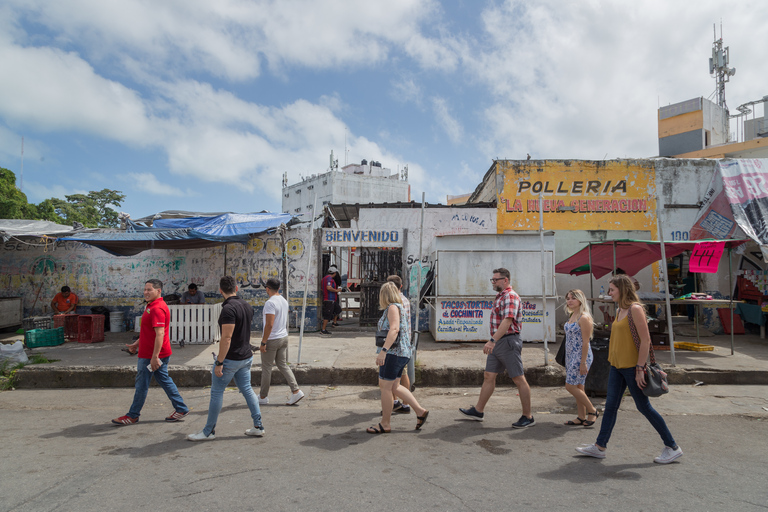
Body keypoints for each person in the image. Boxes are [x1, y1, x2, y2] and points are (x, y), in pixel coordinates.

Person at [576, 274, 683, 464]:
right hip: (617, 366)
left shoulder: (635, 309)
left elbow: (645, 340)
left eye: (612, 290)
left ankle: (672, 447)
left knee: (644, 407)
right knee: (610, 407)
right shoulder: (620, 310)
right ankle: (600, 447)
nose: (609, 293)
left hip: (633, 368)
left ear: (622, 289)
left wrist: (640, 368)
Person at [188, 276, 264, 441]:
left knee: (216, 393)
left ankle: (209, 431)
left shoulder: (228, 309)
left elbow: (226, 338)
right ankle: (258, 426)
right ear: (236, 288)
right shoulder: (247, 306)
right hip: (245, 356)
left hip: (232, 359)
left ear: (220, 290)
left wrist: (219, 362)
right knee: (247, 389)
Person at [459, 267, 535, 428]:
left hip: (507, 341)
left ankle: (528, 416)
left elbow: (507, 321)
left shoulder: (510, 297)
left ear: (505, 280)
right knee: (489, 375)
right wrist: (494, 341)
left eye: (495, 279)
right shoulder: (501, 296)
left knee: (518, 378)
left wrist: (492, 340)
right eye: (492, 280)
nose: (493, 282)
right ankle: (478, 411)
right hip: (499, 341)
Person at [112, 279, 190, 425]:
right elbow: (149, 331)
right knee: (164, 380)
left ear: (158, 291)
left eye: (149, 290)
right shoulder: (151, 306)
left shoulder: (157, 309)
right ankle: (181, 408)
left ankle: (132, 415)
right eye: (145, 289)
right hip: (151, 353)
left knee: (142, 384)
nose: (146, 292)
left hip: (151, 355)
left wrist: (154, 357)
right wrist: (137, 343)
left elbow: (160, 334)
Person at [366, 282, 429, 434]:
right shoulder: (399, 306)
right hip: (401, 353)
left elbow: (394, 329)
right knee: (394, 386)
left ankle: (385, 423)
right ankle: (420, 411)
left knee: (385, 388)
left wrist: (383, 351)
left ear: (384, 295)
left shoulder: (393, 308)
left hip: (393, 353)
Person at [258, 278, 304, 406]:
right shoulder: (283, 301)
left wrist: (263, 342)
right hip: (283, 337)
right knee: (282, 364)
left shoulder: (270, 303)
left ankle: (263, 396)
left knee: (267, 368)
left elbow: (269, 325)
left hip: (272, 339)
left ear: (267, 288)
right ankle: (296, 391)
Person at [562, 289, 599, 427]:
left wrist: (583, 362)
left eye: (573, 298)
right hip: (571, 355)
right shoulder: (572, 315)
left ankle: (592, 410)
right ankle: (582, 416)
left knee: (570, 386)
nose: (569, 301)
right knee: (579, 387)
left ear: (580, 300)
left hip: (580, 355)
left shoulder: (584, 317)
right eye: (568, 298)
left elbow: (586, 341)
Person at [385, 275, 412, 414]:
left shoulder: (395, 303)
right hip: (404, 343)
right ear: (401, 286)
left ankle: (399, 403)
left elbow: (395, 328)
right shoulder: (405, 300)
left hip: (397, 346)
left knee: (393, 379)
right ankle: (402, 403)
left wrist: (384, 349)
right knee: (400, 376)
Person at [320, 266, 341, 336]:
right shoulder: (329, 278)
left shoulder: (324, 278)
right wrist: (336, 290)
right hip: (329, 299)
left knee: (338, 310)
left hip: (331, 299)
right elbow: (328, 287)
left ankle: (334, 322)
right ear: (334, 273)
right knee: (327, 315)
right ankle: (323, 330)